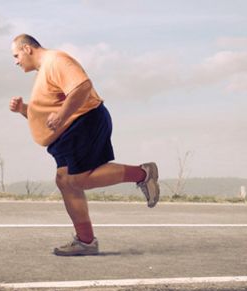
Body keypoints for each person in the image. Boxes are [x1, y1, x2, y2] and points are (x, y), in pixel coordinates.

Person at [9, 34, 160, 256]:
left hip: (84, 121)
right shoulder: (43, 72)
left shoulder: (56, 60)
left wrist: (62, 115)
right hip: (68, 131)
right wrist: (24, 110)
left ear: (27, 49)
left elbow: (82, 87)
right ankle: (86, 241)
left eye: (16, 55)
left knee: (77, 180)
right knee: (65, 181)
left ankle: (142, 173)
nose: (16, 61)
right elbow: (50, 111)